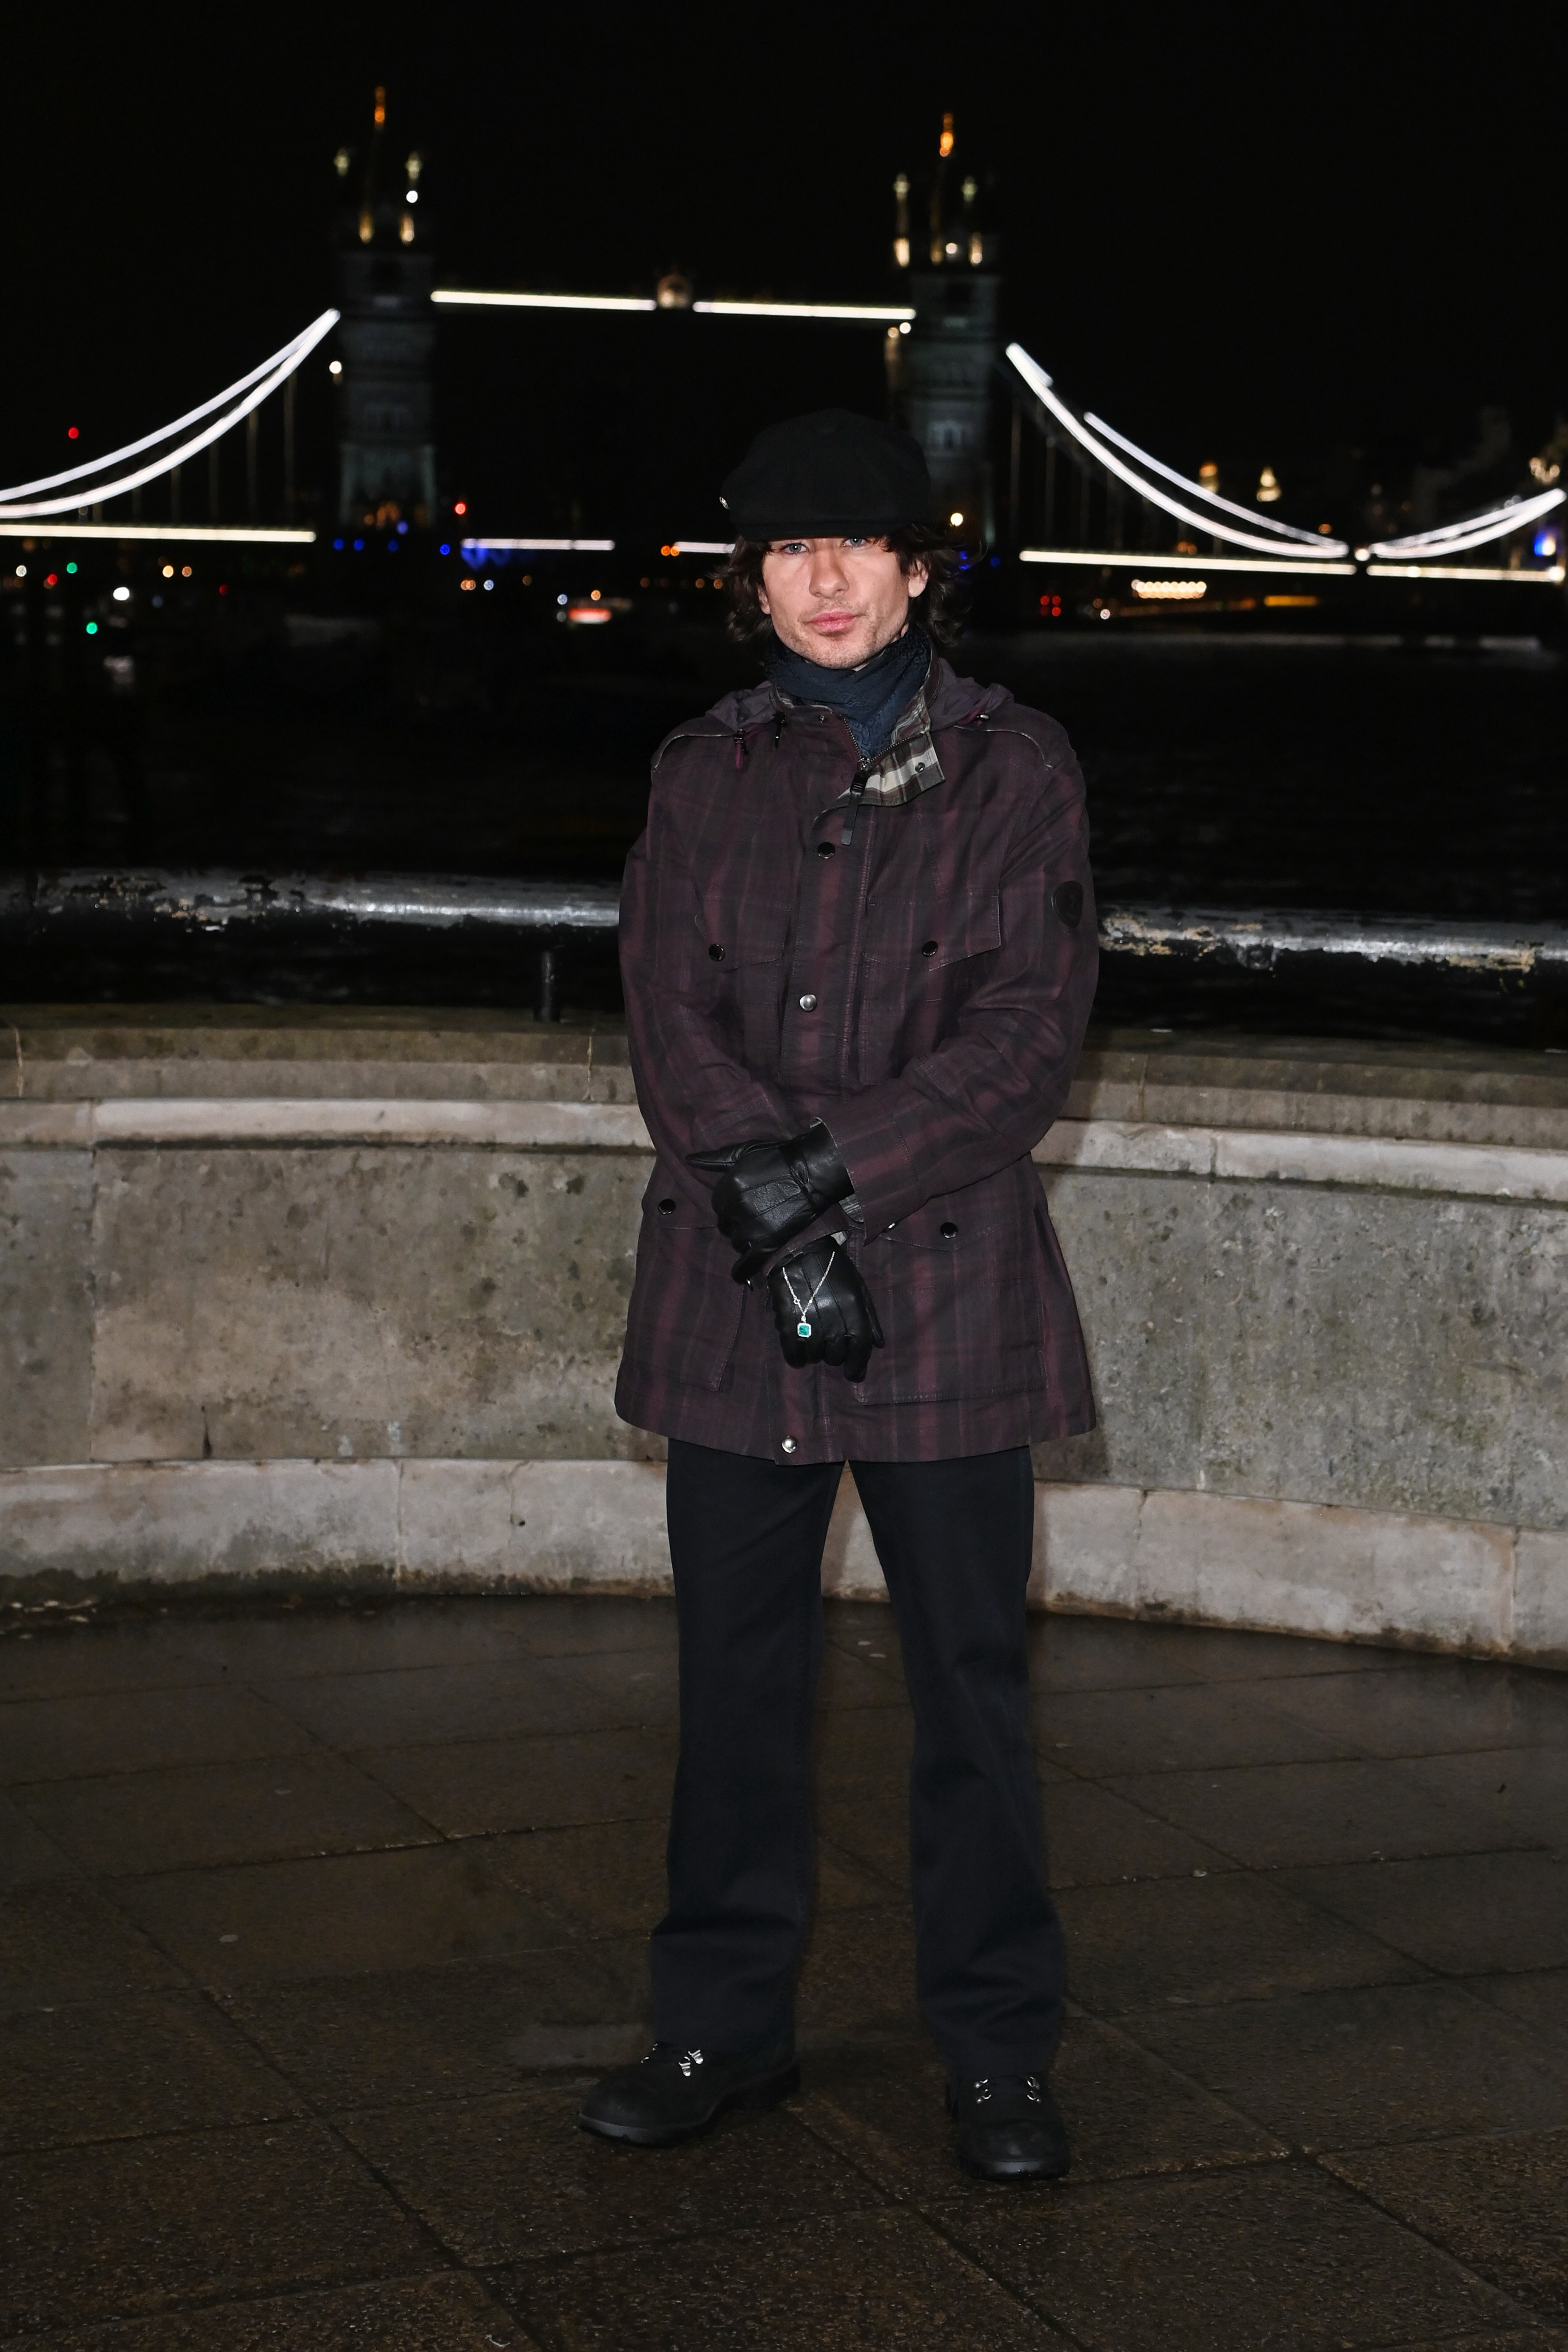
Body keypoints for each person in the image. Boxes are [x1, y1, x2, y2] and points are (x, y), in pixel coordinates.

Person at [577, 409, 1098, 2180]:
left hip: (943, 1290)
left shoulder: (1017, 769)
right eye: (790, 551)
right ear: (753, 578)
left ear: (916, 571)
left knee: (971, 1691)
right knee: (732, 1690)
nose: (823, 580)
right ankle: (718, 2028)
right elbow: (667, 1013)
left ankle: (1000, 2056)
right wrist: (774, 1198)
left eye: (856, 547)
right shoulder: (698, 771)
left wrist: (826, 1175)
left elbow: (1025, 1041)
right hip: (739, 1289)